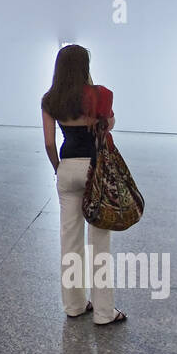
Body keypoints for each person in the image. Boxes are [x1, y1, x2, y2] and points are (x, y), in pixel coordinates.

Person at [40, 44, 126, 325]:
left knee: (70, 239)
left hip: (67, 169)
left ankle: (74, 305)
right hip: (94, 171)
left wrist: (58, 168)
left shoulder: (51, 99)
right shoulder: (98, 95)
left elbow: (50, 142)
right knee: (99, 242)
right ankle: (104, 313)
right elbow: (108, 124)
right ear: (84, 67)